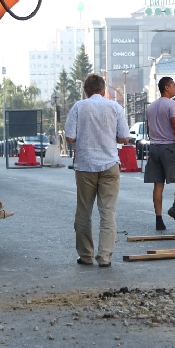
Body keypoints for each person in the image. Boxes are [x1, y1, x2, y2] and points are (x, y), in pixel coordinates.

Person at [64, 74, 129, 268]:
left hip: (85, 165)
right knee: (107, 212)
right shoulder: (115, 107)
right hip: (110, 164)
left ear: (86, 91)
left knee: (84, 212)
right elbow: (124, 138)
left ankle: (86, 255)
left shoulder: (78, 107)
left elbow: (69, 137)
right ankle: (105, 257)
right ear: (103, 90)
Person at [144, 76, 175, 230]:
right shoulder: (172, 104)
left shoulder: (150, 107)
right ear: (166, 87)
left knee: (158, 184)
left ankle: (159, 220)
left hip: (154, 148)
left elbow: (149, 130)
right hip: (169, 147)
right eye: (174, 85)